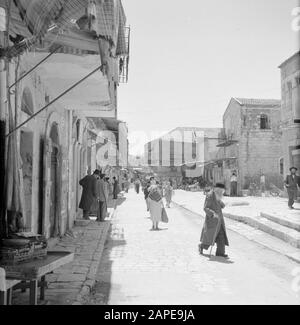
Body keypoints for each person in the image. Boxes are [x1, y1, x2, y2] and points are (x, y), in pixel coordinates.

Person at [199, 183, 229, 258]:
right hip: (212, 220)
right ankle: (201, 246)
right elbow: (205, 208)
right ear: (217, 190)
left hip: (220, 221)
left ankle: (220, 253)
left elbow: (218, 203)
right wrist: (212, 214)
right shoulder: (210, 196)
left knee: (221, 236)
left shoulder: (218, 195)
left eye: (223, 191)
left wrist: (222, 204)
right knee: (209, 238)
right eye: (221, 191)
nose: (222, 193)